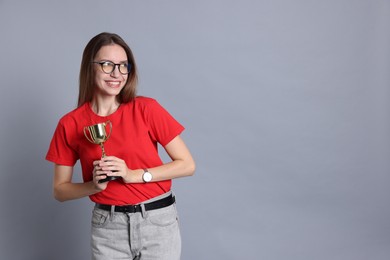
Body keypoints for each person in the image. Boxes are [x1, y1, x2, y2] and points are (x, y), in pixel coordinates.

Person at [46, 32, 195, 260]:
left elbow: (187, 165)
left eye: (123, 65)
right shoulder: (70, 123)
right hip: (108, 228)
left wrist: (133, 175)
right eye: (107, 65)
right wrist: (94, 186)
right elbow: (60, 190)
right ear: (90, 67)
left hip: (157, 222)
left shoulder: (146, 109)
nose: (117, 73)